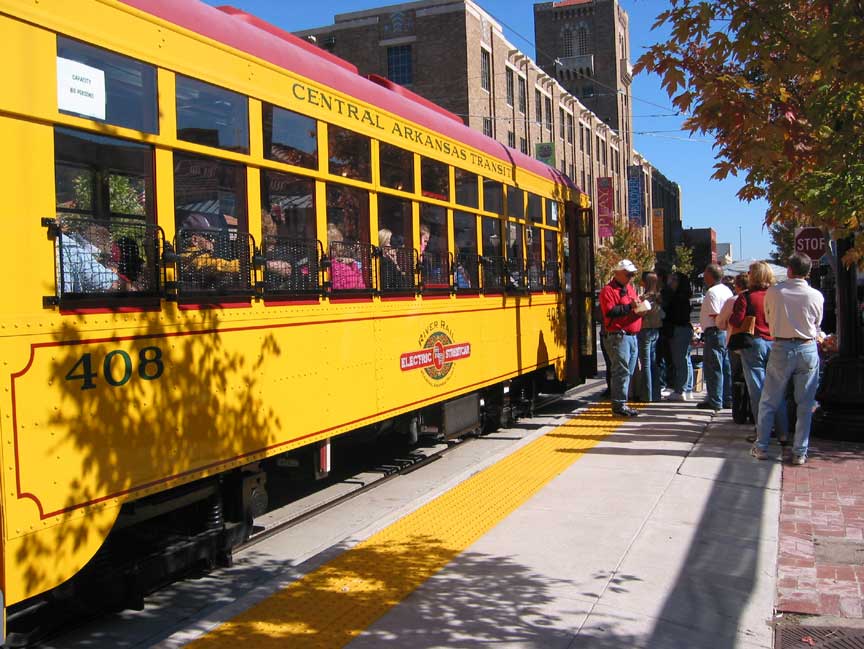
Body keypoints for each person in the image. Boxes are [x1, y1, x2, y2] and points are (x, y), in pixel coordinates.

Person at [751, 254, 823, 465]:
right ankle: (800, 451)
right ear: (808, 272)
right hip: (807, 346)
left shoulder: (775, 292)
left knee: (769, 400)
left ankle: (761, 446)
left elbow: (768, 316)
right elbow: (817, 322)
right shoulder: (816, 295)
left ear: (789, 270)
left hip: (782, 346)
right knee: (805, 403)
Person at [731, 262, 788, 443]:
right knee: (777, 389)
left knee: (758, 390)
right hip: (776, 342)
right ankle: (782, 431)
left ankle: (762, 432)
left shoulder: (746, 297)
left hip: (754, 342)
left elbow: (736, 320)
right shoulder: (778, 295)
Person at [599, 259, 647, 417]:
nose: (631, 277)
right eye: (628, 274)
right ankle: (619, 406)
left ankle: (621, 403)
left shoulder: (629, 289)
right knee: (621, 371)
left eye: (632, 275)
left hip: (631, 335)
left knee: (628, 371)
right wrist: (630, 307)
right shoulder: (608, 291)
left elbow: (631, 307)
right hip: (619, 336)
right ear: (618, 273)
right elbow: (610, 312)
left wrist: (640, 308)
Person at [698, 263, 734, 411]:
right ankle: (727, 398)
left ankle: (715, 400)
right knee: (725, 366)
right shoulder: (727, 290)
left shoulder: (712, 292)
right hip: (723, 332)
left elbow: (715, 314)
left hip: (715, 331)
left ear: (710, 276)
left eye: (706, 275)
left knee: (714, 367)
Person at [664, 272, 694, 401]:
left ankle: (681, 390)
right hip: (684, 329)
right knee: (686, 360)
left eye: (674, 279)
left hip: (679, 330)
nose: (671, 282)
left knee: (680, 361)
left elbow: (675, 315)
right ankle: (687, 389)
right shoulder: (684, 297)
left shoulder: (678, 298)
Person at [636, 271, 664, 402]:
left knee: (645, 363)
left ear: (645, 282)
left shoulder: (645, 298)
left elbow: (639, 313)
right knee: (653, 362)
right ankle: (656, 393)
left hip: (645, 330)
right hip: (655, 330)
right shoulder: (658, 297)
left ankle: (646, 395)